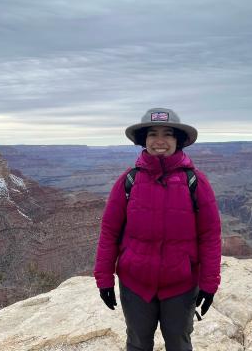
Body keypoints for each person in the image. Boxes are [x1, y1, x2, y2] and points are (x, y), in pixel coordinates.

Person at [94, 107, 222, 351]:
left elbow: (210, 237)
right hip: (136, 284)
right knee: (138, 344)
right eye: (153, 134)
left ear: (178, 141)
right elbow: (109, 233)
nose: (160, 141)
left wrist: (209, 283)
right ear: (144, 140)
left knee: (179, 343)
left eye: (168, 134)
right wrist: (104, 279)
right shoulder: (128, 181)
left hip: (180, 285)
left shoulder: (195, 182)